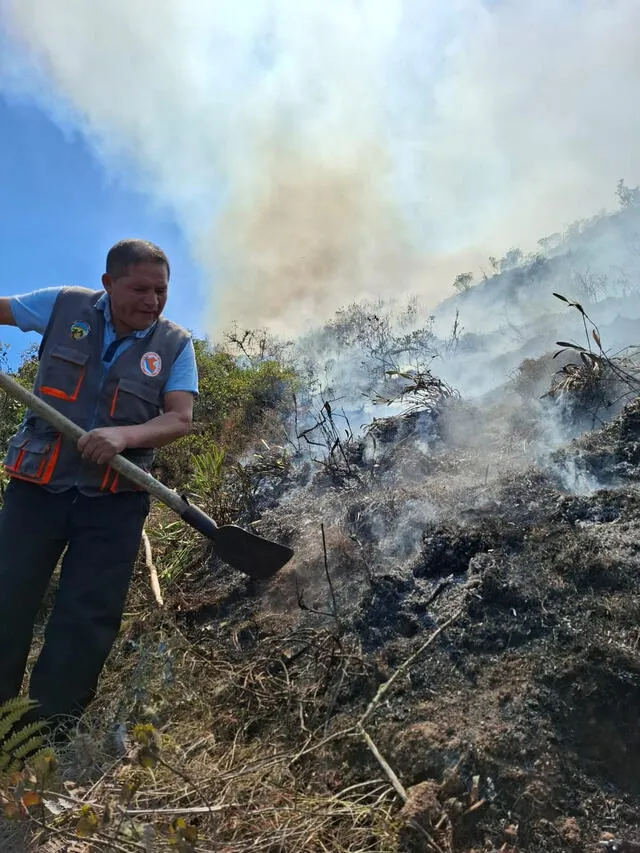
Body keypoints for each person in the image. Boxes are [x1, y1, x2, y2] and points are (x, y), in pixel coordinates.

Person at [0, 239, 198, 733]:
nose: (152, 301)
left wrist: (124, 436)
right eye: (139, 288)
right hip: (37, 490)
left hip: (113, 503)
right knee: (6, 598)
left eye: (160, 290)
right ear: (108, 284)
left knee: (85, 619)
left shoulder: (174, 344)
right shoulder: (64, 305)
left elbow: (180, 419)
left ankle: (44, 741)